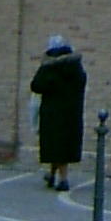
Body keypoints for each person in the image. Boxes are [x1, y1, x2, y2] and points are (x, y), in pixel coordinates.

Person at [29, 35, 87, 191]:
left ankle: (63, 179)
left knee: (55, 145)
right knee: (63, 146)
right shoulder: (76, 67)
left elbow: (36, 85)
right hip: (71, 113)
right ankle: (53, 174)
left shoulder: (49, 67)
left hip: (52, 113)